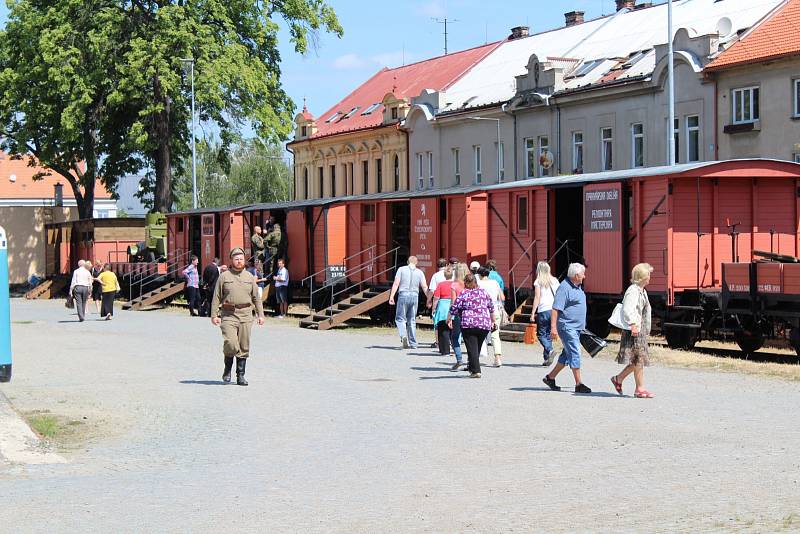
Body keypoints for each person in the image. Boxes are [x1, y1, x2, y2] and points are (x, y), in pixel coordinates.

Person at [211, 248, 265, 386]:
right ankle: (227, 370)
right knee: (231, 343)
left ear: (244, 260)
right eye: (236, 259)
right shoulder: (224, 276)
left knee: (243, 345)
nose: (239, 261)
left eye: (241, 259)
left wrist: (260, 315)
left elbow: (256, 298)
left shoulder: (249, 277)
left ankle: (240, 375)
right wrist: (214, 315)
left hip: (246, 314)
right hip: (229, 315)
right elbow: (216, 296)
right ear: (232, 260)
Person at [543, 263, 591, 393]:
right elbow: (555, 309)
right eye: (583, 274)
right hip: (567, 326)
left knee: (567, 355)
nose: (584, 276)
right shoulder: (564, 288)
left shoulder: (577, 286)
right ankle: (579, 384)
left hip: (576, 328)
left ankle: (550, 377)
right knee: (575, 352)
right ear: (576, 275)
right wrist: (553, 328)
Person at [611, 263, 655, 398]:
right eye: (648, 274)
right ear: (641, 276)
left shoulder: (642, 291)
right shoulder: (633, 291)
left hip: (639, 329)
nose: (649, 277)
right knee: (638, 359)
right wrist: (633, 325)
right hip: (634, 329)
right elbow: (627, 310)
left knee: (637, 359)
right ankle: (639, 388)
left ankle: (619, 379)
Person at [448, 273, 495, 378]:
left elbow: (454, 307)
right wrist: (493, 321)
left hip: (469, 324)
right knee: (476, 348)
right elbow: (491, 307)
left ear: (466, 283)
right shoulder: (484, 293)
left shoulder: (464, 294)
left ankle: (476, 371)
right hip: (484, 324)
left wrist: (449, 318)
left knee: (472, 348)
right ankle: (472, 366)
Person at [388, 256, 428, 349]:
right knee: (412, 320)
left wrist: (391, 296)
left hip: (403, 294)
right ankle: (413, 343)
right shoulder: (420, 272)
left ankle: (403, 335)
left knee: (400, 318)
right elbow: (424, 287)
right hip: (414, 296)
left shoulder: (401, 269)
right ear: (416, 262)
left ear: (407, 262)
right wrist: (429, 298)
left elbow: (396, 283)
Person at [530, 261, 560, 366]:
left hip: (543, 310)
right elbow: (559, 295)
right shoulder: (555, 280)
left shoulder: (538, 281)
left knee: (541, 334)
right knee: (548, 334)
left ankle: (550, 350)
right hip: (554, 310)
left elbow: (537, 297)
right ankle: (547, 358)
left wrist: (533, 312)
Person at [478, 266, 505, 367]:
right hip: (494, 311)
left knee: (479, 334)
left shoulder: (478, 284)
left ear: (479, 275)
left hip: (482, 312)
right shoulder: (495, 283)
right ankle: (497, 358)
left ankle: (477, 356)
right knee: (495, 335)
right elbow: (502, 297)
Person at [447, 263, 469, 370]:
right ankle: (470, 362)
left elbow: (453, 303)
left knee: (454, 337)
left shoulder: (454, 285)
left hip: (459, 315)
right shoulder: (471, 285)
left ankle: (459, 359)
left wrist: (449, 316)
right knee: (469, 339)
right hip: (471, 314)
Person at [431, 265, 455, 359]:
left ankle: (444, 349)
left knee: (442, 328)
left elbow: (436, 298)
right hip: (452, 305)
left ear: (445, 275)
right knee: (452, 329)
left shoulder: (441, 284)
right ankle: (454, 347)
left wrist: (434, 308)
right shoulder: (455, 284)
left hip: (442, 306)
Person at [426, 258, 448, 348]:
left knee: (437, 321)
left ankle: (437, 342)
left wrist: (428, 300)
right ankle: (449, 341)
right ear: (446, 265)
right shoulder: (451, 275)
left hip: (440, 301)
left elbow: (432, 290)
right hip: (450, 300)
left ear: (437, 266)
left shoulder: (436, 276)